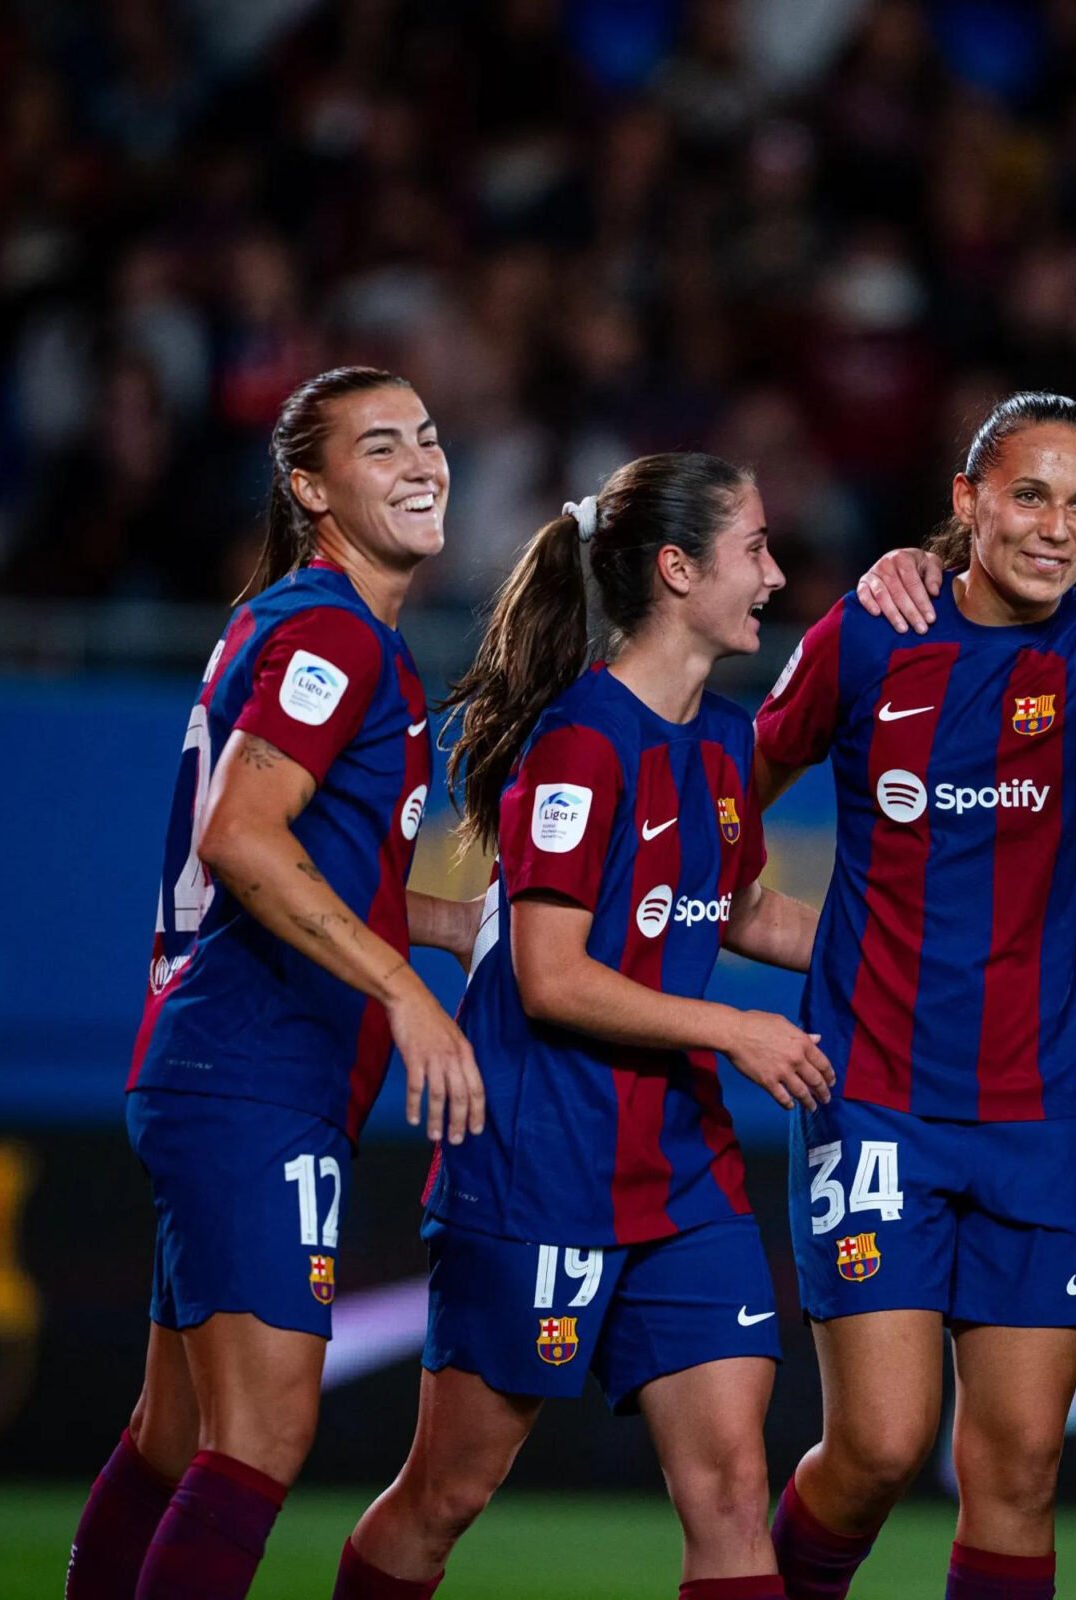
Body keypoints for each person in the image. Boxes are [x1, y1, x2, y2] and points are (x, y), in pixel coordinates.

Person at [332, 455, 832, 1600]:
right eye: (753, 548)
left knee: (727, 1493)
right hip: (538, 1164)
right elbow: (552, 976)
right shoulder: (580, 743)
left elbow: (743, 904)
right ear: (676, 568)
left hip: (682, 1174)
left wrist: (907, 951)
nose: (774, 573)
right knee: (448, 1492)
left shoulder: (719, 742)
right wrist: (736, 1030)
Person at [754, 391, 1076, 1600]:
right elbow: (728, 794)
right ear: (966, 504)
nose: (1056, 528)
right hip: (876, 1100)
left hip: (1043, 1113)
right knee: (874, 1446)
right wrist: (779, 939)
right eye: (1028, 495)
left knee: (1015, 1465)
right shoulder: (866, 635)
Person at [67, 367, 488, 1600]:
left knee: (172, 1438)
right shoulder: (333, 632)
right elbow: (245, 838)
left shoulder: (298, 620)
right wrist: (404, 991)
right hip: (253, 1069)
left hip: (219, 1067)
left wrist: (445, 922)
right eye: (379, 446)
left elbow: (304, 862)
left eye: (427, 434)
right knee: (258, 1441)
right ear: (309, 487)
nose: (422, 460)